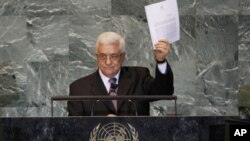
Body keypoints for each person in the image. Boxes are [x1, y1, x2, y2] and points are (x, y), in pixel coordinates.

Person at [67, 32, 174, 116]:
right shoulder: (79, 89)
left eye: (113, 56)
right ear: (97, 56)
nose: (108, 62)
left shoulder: (139, 77)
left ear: (122, 56)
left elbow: (164, 91)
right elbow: (74, 130)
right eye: (103, 56)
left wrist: (161, 60)